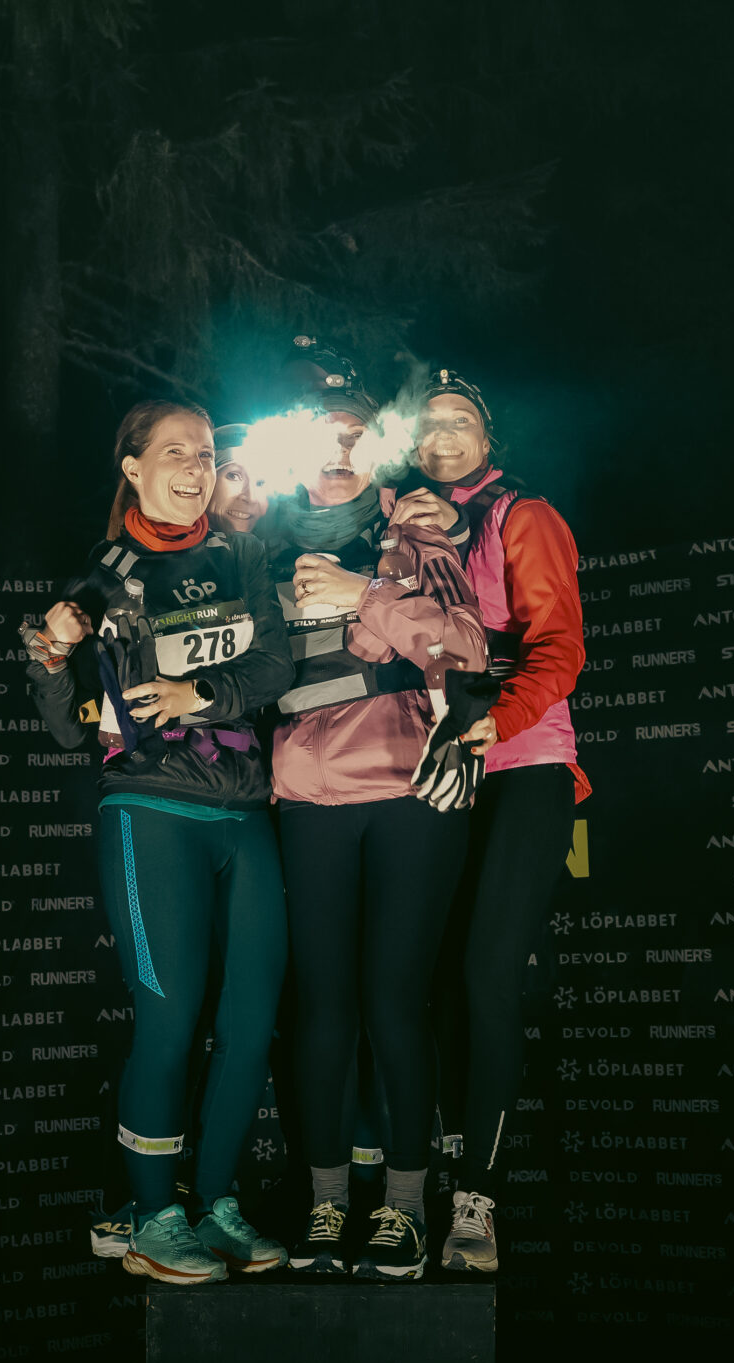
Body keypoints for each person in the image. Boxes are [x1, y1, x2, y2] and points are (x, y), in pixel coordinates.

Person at [24, 401, 295, 1284]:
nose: (195, 467)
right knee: (170, 1019)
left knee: (250, 1024)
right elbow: (66, 729)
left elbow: (274, 666)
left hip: (245, 813)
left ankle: (215, 1202)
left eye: (206, 453)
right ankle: (151, 1216)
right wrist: (50, 657)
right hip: (150, 808)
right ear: (133, 469)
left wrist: (196, 695)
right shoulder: (101, 578)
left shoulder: (243, 555)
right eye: (175, 452)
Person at [255, 347, 486, 1279]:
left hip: (406, 788)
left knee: (394, 1002)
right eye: (323, 435)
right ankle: (322, 1205)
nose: (340, 450)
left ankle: (403, 1209)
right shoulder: (261, 539)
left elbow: (466, 648)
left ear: (380, 445)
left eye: (357, 434)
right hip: (307, 794)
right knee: (323, 1009)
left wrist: (369, 595)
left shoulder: (417, 530)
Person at [410, 367, 590, 1274]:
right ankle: (433, 1178)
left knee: (487, 977)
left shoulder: (524, 515)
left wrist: (502, 718)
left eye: (461, 420)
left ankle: (478, 1202)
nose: (443, 434)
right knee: (433, 979)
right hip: (434, 770)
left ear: (489, 438)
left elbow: (561, 644)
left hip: (523, 764)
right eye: (428, 422)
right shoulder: (401, 526)